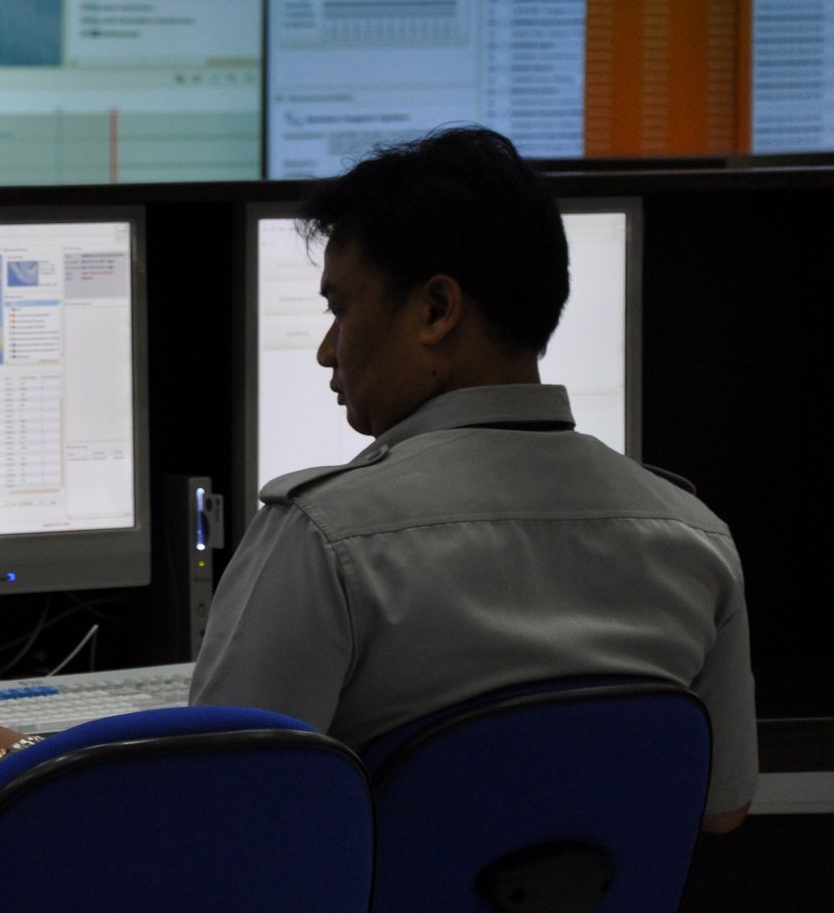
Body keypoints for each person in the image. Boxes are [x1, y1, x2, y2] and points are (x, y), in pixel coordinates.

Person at [186, 126, 756, 833]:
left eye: (340, 308)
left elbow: (217, 809)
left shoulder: (322, 540)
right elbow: (722, 807)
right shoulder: (698, 542)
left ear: (435, 310)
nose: (326, 351)